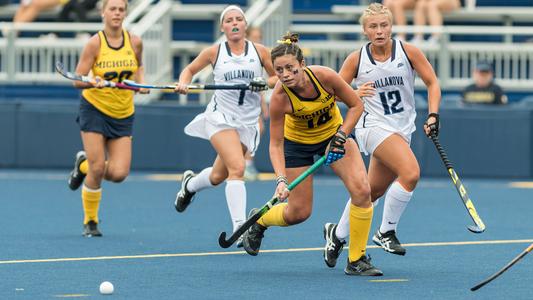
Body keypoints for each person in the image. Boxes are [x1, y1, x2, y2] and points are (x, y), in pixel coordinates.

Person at [241, 32, 383, 276]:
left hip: (334, 136)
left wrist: (341, 137)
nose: (285, 74)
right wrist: (281, 180)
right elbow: (275, 144)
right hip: (298, 146)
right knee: (299, 213)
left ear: (302, 65)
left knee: (362, 190)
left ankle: (356, 258)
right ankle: (260, 220)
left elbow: (356, 105)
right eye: (279, 70)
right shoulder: (279, 98)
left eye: (290, 68)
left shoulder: (325, 76)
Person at [323, 3, 441, 267]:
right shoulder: (356, 59)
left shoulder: (408, 52)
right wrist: (353, 94)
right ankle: (386, 231)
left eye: (384, 25)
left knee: (369, 192)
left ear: (391, 26)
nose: (379, 31)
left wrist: (433, 114)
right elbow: (332, 93)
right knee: (410, 173)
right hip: (371, 125)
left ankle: (338, 235)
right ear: (365, 31)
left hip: (401, 128)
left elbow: (432, 82)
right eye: (373, 27)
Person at [172, 5, 276, 247]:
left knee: (219, 176)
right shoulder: (214, 52)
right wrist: (183, 83)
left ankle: (189, 185)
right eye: (229, 20)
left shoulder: (260, 52)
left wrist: (264, 82)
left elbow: (277, 77)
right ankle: (239, 227)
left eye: (239, 19)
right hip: (220, 118)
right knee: (237, 168)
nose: (235, 23)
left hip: (247, 123)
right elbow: (188, 70)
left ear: (245, 24)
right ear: (223, 27)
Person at [67, 0, 149, 237]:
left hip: (123, 112)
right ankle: (90, 221)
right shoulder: (94, 44)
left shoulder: (135, 41)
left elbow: (139, 67)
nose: (116, 13)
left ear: (125, 14)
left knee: (118, 173)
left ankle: (81, 164)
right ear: (103, 13)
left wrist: (140, 84)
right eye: (112, 9)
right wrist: (92, 81)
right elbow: (77, 79)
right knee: (97, 167)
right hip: (94, 108)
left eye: (121, 9)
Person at [243, 26, 269, 180]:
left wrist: (263, 104)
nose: (257, 40)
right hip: (239, 102)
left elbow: (260, 84)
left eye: (259, 37)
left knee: (257, 129)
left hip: (253, 100)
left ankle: (247, 164)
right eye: (254, 37)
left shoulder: (260, 54)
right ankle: (244, 164)